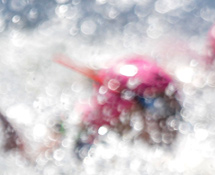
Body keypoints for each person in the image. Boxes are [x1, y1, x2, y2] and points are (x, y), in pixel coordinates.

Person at [53, 54, 182, 154]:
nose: (170, 121)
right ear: (126, 113)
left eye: (175, 109)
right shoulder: (82, 140)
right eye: (159, 107)